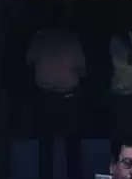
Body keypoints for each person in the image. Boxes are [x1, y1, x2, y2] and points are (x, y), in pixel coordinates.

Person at [27, 17, 87, 179]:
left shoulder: (41, 38)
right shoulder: (66, 40)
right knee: (69, 146)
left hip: (53, 98)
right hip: (59, 98)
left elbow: (30, 62)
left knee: (48, 146)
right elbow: (82, 69)